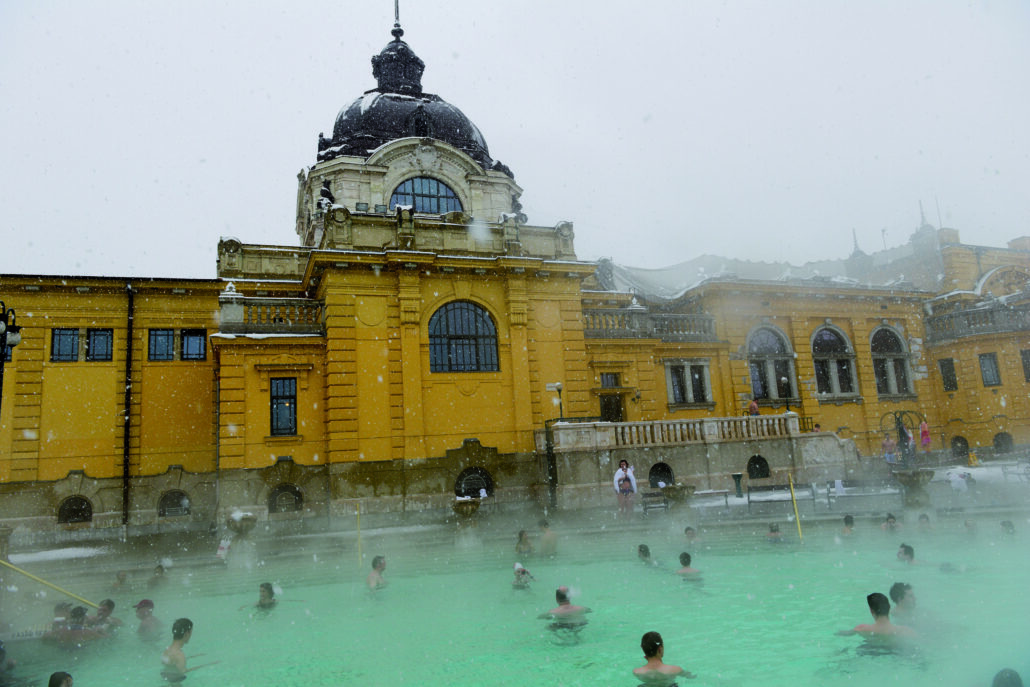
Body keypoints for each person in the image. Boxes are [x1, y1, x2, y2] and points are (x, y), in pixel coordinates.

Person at [841, 592, 915, 638]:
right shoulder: (905, 631)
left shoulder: (862, 629)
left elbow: (844, 634)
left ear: (871, 610)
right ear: (889, 608)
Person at [161, 618, 193, 682]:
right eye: (191, 633)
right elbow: (183, 672)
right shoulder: (179, 655)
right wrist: (203, 666)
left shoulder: (167, 650)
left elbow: (171, 665)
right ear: (186, 634)